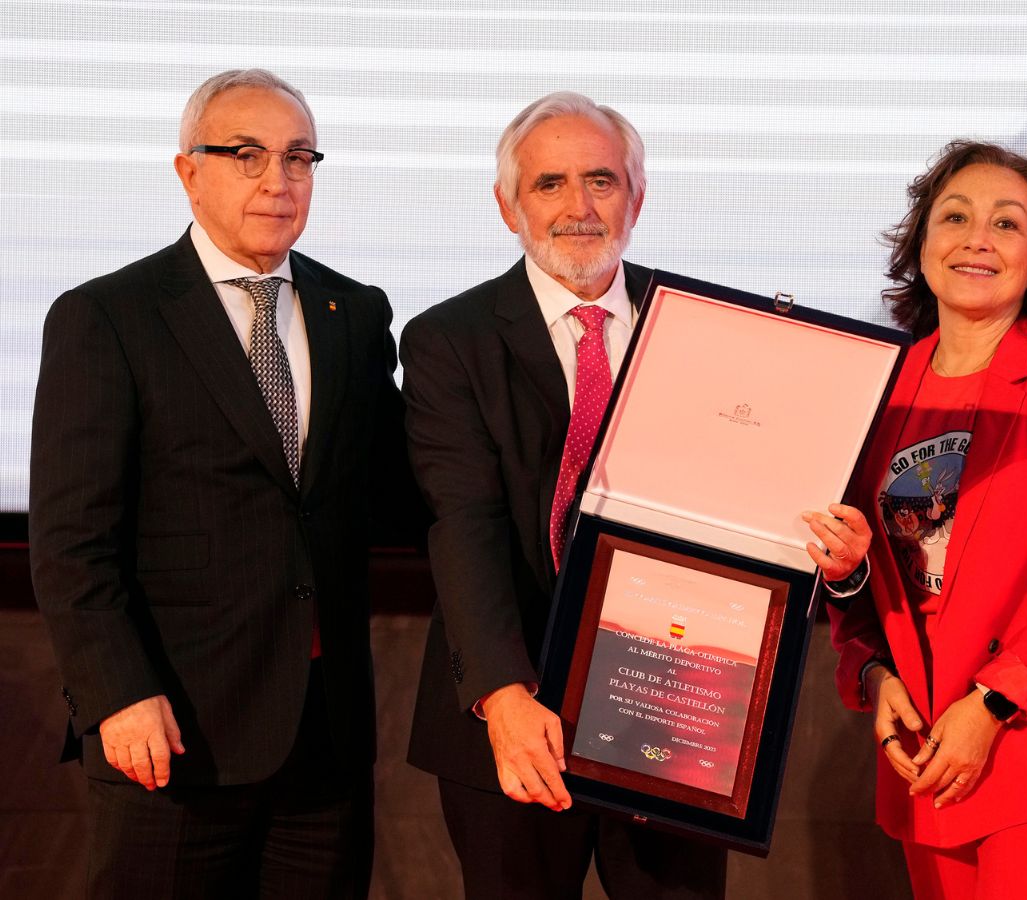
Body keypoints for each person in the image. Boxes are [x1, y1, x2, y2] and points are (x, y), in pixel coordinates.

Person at [29, 68, 405, 898]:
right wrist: (118, 695)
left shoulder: (356, 311)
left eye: (299, 157)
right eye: (247, 154)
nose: (278, 180)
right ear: (187, 170)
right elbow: (69, 542)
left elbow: (399, 496)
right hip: (170, 733)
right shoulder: (108, 317)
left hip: (326, 739)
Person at [401, 91, 728, 899]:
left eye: (602, 182)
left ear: (637, 197)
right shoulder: (449, 340)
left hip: (671, 707)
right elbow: (462, 524)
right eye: (549, 184)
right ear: (508, 205)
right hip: (511, 708)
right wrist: (503, 694)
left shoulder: (703, 326)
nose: (578, 208)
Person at [826, 140, 1027, 898]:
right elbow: (860, 572)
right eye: (955, 217)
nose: (976, 238)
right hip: (926, 744)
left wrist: (995, 701)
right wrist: (872, 672)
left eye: (1007, 225)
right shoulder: (879, 386)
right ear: (923, 245)